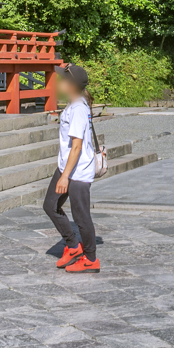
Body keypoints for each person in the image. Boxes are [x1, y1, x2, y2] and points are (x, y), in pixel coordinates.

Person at [43, 63, 101, 273]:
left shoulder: (78, 109)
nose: (60, 83)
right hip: (66, 167)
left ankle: (91, 259)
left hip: (77, 172)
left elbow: (76, 146)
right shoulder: (74, 104)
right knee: (50, 206)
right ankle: (73, 246)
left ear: (72, 85)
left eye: (64, 80)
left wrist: (65, 177)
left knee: (81, 216)